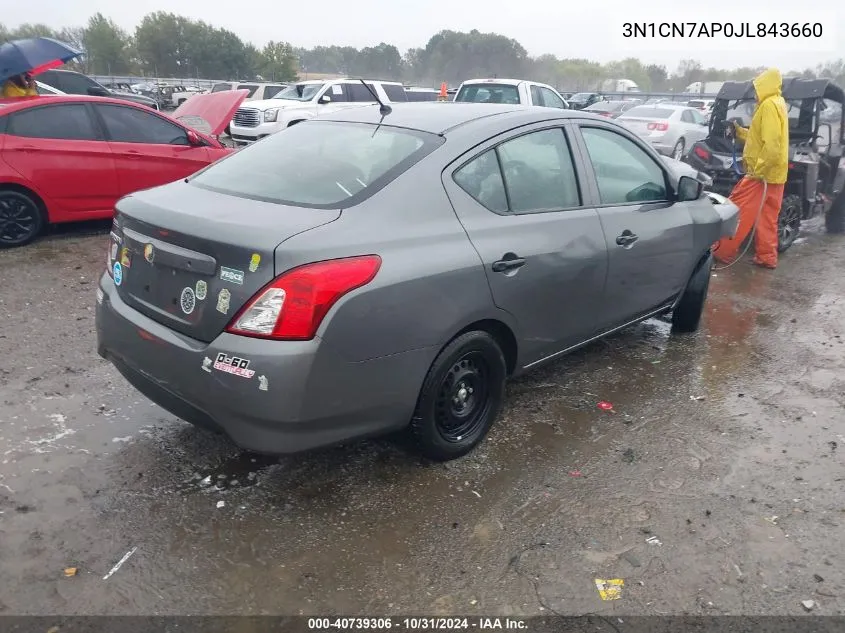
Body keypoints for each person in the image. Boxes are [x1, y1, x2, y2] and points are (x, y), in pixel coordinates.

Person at [713, 67, 789, 269]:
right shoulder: (778, 103)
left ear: (764, 86)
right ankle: (766, 257)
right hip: (776, 175)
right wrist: (739, 132)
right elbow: (760, 138)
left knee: (736, 209)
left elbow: (772, 145)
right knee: (767, 218)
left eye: (757, 87)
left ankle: (722, 252)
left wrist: (760, 171)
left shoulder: (768, 106)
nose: (755, 93)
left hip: (761, 175)